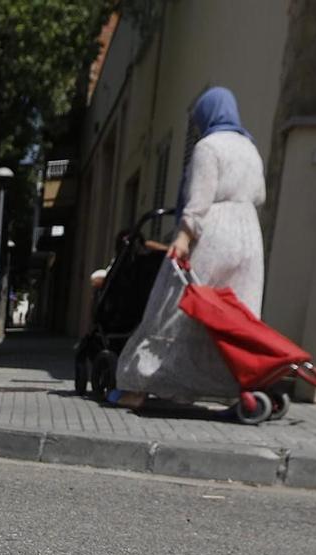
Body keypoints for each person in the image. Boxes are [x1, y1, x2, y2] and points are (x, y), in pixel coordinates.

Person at [112, 86, 265, 407]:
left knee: (175, 307)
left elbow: (198, 200)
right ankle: (233, 385)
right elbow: (260, 196)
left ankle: (139, 387)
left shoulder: (208, 147)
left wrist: (182, 237)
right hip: (249, 237)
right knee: (233, 316)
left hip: (213, 232)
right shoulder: (250, 148)